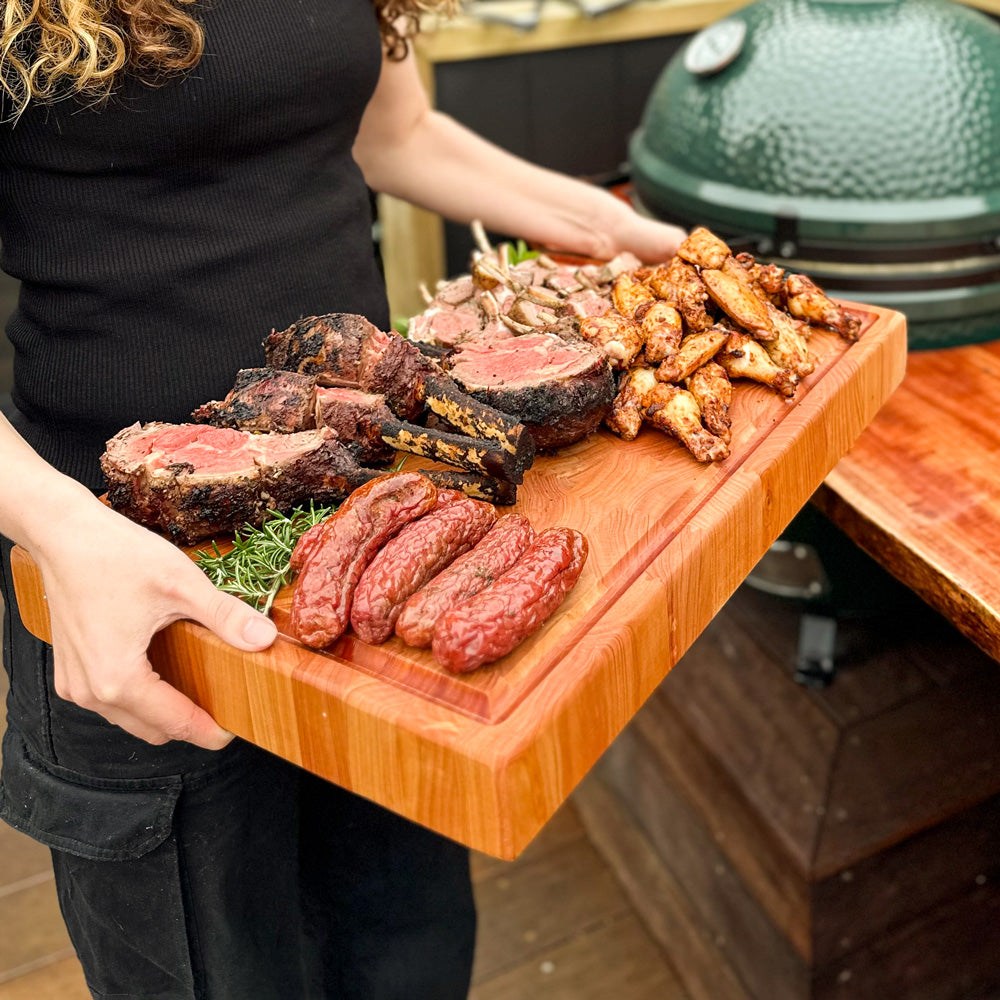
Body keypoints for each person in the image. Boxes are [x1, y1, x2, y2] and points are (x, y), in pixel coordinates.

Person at [0, 1, 685, 997]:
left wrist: (616, 232)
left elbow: (393, 132)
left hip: (368, 510)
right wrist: (61, 529)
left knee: (406, 941)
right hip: (127, 559)